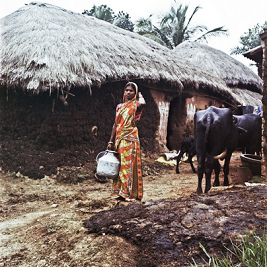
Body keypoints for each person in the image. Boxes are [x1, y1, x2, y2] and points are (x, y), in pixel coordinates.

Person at [107, 82, 146, 201]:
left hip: (130, 138)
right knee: (119, 165)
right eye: (126, 90)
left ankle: (127, 192)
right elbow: (115, 124)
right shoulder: (120, 106)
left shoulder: (136, 105)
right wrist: (110, 141)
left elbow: (143, 103)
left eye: (131, 91)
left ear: (135, 93)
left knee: (127, 165)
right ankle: (119, 191)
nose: (128, 92)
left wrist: (140, 95)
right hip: (119, 138)